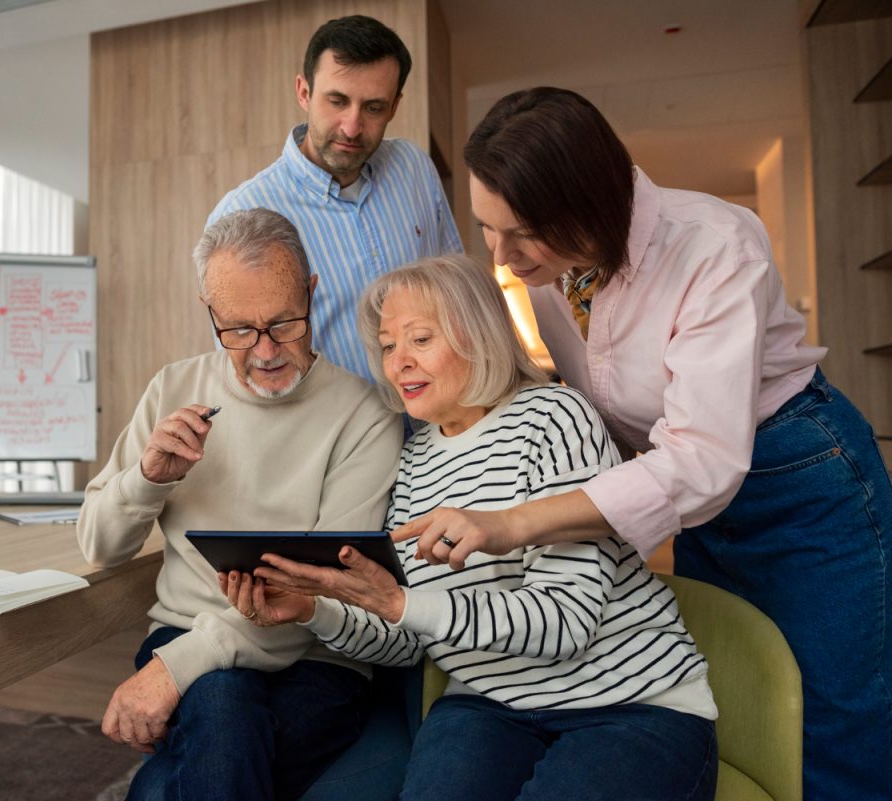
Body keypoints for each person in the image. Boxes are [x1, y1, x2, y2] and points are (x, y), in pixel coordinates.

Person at [412, 86, 892, 801]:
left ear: (588, 204)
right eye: (487, 228)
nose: (502, 257)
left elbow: (702, 461)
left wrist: (514, 522)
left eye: (520, 234)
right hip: (685, 491)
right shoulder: (550, 271)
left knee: (834, 724)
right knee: (741, 692)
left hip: (796, 472)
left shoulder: (716, 245)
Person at [223, 254, 718, 801]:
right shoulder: (414, 463)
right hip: (489, 705)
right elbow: (408, 639)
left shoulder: (555, 417)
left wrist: (403, 605)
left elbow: (566, 623)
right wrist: (315, 610)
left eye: (420, 339)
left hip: (628, 703)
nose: (399, 363)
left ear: (477, 336)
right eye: (388, 347)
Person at [76, 207, 403, 801]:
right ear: (210, 311)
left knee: (199, 745)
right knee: (225, 704)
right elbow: (99, 544)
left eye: (284, 322)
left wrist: (174, 672)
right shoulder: (173, 388)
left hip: (315, 654)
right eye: (239, 330)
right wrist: (148, 478)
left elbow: (326, 589)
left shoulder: (364, 414)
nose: (265, 350)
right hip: (182, 630)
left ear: (311, 292)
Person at [208, 14, 461, 384]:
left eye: (374, 107)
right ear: (304, 92)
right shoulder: (242, 214)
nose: (352, 126)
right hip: (338, 439)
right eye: (337, 101)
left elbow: (457, 297)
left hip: (438, 432)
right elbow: (244, 373)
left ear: (394, 106)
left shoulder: (414, 169)